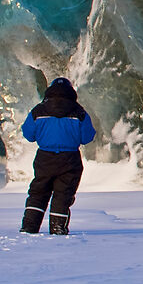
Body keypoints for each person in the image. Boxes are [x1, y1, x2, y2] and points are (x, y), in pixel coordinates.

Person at [20, 77, 96, 235]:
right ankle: (57, 227)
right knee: (63, 193)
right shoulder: (79, 112)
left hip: (44, 157)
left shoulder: (39, 110)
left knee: (38, 192)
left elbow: (29, 134)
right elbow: (87, 137)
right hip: (70, 158)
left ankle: (29, 226)